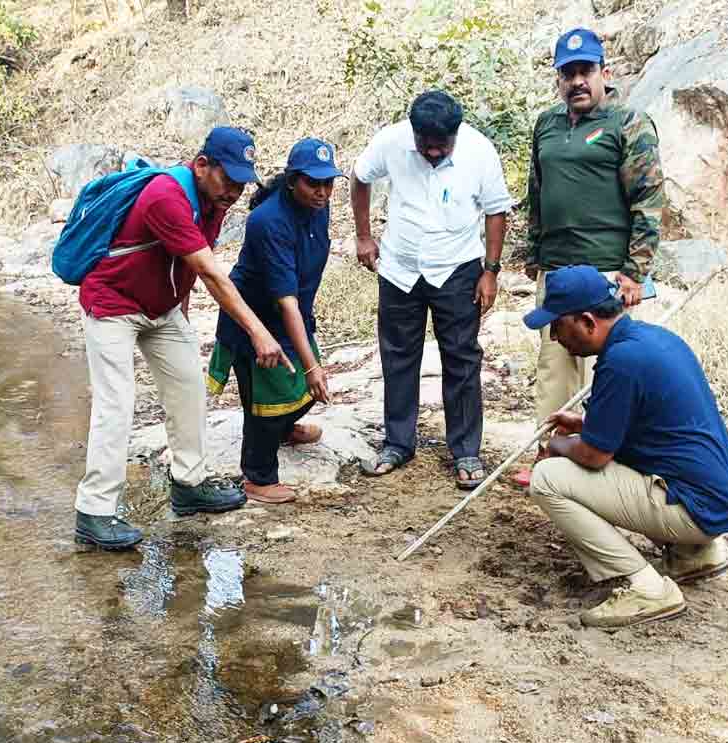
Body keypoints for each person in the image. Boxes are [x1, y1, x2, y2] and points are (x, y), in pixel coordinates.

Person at [73, 126, 292, 551]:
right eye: (228, 180)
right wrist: (260, 333)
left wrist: (180, 315)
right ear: (201, 164)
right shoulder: (165, 197)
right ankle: (94, 513)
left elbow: (189, 264)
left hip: (162, 309)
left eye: (241, 184)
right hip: (112, 305)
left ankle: (189, 486)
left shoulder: (213, 200)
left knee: (189, 389)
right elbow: (211, 272)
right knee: (116, 405)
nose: (233, 192)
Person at [522, 266, 728, 630]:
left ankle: (646, 588)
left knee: (548, 477)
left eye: (557, 325)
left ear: (586, 321)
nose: (554, 335)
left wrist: (557, 445)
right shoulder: (654, 339)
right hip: (719, 499)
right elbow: (650, 426)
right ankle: (694, 555)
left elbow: (595, 457)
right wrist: (586, 426)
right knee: (582, 459)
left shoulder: (621, 364)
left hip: (696, 508)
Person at [512, 28, 667, 488]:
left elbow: (649, 198)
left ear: (605, 72)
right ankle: (549, 456)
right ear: (558, 79)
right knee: (555, 365)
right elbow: (536, 192)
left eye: (585, 71)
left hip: (608, 269)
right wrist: (535, 250)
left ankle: (611, 455)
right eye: (568, 73)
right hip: (558, 271)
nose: (577, 81)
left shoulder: (629, 122)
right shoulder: (546, 125)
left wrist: (636, 270)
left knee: (615, 367)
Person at [350, 90, 513, 489]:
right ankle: (398, 443)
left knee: (461, 356)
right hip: (400, 268)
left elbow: (495, 211)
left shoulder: (479, 151)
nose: (436, 153)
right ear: (414, 133)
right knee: (398, 355)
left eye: (444, 146)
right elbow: (359, 177)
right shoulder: (391, 142)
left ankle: (466, 451)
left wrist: (489, 271)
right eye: (428, 146)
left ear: (457, 134)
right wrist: (363, 236)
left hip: (457, 268)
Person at [207, 137, 344, 505]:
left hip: (295, 314)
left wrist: (311, 363)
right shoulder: (268, 222)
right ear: (291, 180)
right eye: (312, 184)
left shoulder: (319, 208)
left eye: (328, 183)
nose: (322, 192)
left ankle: (286, 429)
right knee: (264, 401)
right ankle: (257, 477)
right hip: (255, 321)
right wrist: (311, 364)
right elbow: (284, 300)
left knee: (306, 387)